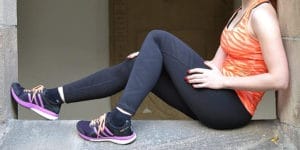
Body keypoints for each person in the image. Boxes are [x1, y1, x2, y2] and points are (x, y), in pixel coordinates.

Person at [10, 0, 288, 145]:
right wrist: (152, 59)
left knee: (157, 36)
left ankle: (118, 122)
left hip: (232, 108)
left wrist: (223, 81)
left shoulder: (262, 14)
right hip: (216, 96)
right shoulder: (240, 12)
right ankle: (51, 98)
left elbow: (280, 78)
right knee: (139, 64)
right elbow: (215, 64)